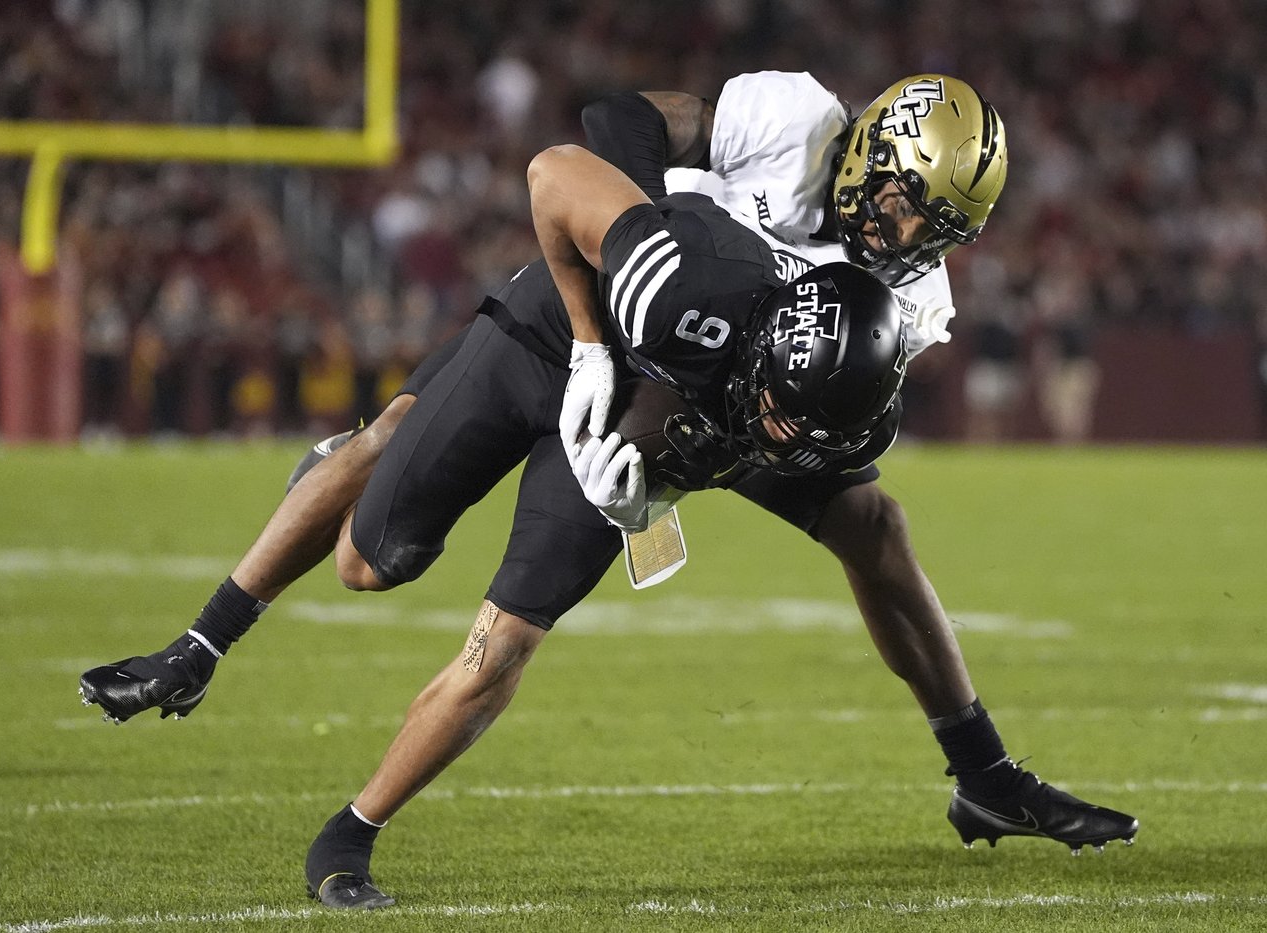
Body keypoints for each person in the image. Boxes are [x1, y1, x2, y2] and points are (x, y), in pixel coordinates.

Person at [285, 71, 1139, 859]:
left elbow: (846, 423)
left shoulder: (918, 294)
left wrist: (674, 475)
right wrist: (646, 252)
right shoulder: (794, 121)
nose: (908, 235)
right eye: (904, 203)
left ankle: (984, 776)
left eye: (938, 229)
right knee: (426, 531)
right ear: (867, 154)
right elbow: (616, 121)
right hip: (641, 345)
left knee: (874, 523)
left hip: (745, 410)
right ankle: (349, 485)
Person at [82, 144, 915, 909]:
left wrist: (646, 501)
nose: (780, 438)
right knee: (367, 564)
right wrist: (592, 341)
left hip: (608, 433)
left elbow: (711, 440)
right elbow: (553, 172)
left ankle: (351, 832)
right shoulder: (688, 286)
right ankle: (203, 643)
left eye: (799, 432)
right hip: (544, 345)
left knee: (507, 643)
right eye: (777, 415)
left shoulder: (798, 412)